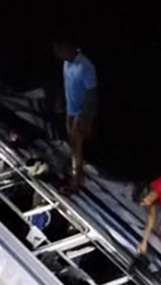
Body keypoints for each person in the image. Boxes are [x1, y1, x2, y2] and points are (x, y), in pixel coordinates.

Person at [53, 39, 98, 194]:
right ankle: (81, 167)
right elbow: (66, 84)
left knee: (76, 142)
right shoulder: (66, 64)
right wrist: (60, 100)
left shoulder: (85, 66)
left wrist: (85, 116)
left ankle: (75, 181)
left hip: (82, 111)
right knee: (74, 142)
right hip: (70, 109)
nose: (57, 54)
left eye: (60, 50)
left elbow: (92, 93)